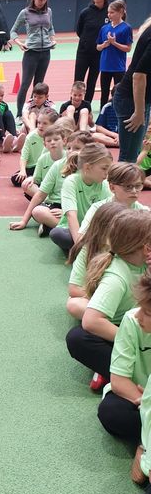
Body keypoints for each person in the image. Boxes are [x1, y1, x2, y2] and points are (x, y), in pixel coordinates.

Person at [65, 209, 151, 384]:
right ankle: (127, 374)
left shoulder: (143, 263)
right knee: (78, 338)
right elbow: (91, 321)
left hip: (143, 325)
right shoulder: (116, 277)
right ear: (146, 248)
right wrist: (130, 339)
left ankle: (117, 370)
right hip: (128, 329)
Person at [97, 271, 151, 469]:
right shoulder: (132, 320)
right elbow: (119, 381)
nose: (138, 315)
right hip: (136, 397)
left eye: (147, 312)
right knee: (112, 412)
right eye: (140, 307)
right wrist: (147, 402)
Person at [9, 129, 92, 236]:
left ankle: (60, 227)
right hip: (56, 205)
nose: (71, 151)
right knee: (38, 211)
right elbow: (40, 195)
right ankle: (74, 228)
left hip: (79, 208)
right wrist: (24, 221)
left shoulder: (91, 170)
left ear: (89, 150)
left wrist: (67, 212)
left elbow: (93, 201)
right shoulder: (58, 165)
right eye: (69, 148)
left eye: (77, 148)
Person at [66, 201, 125, 321]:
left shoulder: (132, 249)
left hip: (126, 299)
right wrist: (105, 297)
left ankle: (103, 321)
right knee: (74, 304)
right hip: (103, 298)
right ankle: (111, 320)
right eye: (114, 228)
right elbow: (74, 289)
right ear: (101, 227)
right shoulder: (88, 249)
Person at [49, 144, 112, 252]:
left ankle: (93, 246)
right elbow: (71, 215)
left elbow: (111, 214)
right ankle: (86, 248)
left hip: (94, 230)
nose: (107, 173)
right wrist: (80, 246)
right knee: (58, 234)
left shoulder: (105, 184)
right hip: (75, 229)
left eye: (108, 169)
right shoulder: (71, 182)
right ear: (87, 167)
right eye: (104, 168)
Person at [9, 0, 56, 120]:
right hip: (31, 53)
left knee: (39, 86)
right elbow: (13, 31)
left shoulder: (49, 12)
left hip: (46, 52)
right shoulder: (25, 13)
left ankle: (32, 111)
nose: (42, 2)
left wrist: (53, 39)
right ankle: (20, 114)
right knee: (25, 84)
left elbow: (51, 28)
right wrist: (19, 43)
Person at [114, 15, 151, 163]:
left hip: (140, 100)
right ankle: (119, 179)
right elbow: (138, 76)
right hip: (131, 101)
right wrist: (139, 111)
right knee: (128, 158)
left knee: (132, 155)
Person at [78, 162, 147, 235]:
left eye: (138, 186)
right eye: (128, 186)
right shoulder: (97, 209)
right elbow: (82, 237)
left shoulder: (145, 212)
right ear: (112, 188)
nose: (134, 191)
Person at [74, 0, 109, 104]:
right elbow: (79, 31)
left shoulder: (109, 13)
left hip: (99, 54)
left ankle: (87, 105)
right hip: (83, 52)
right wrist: (87, 42)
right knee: (78, 81)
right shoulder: (85, 12)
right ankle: (75, 105)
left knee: (92, 82)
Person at [96, 0, 132, 109]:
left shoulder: (126, 28)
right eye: (108, 12)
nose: (109, 15)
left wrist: (114, 43)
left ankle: (118, 112)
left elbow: (128, 48)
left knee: (119, 92)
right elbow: (98, 47)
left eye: (112, 12)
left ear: (120, 12)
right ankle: (103, 112)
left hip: (118, 67)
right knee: (104, 93)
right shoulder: (104, 28)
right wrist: (104, 45)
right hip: (105, 66)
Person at [10, 107, 58, 188]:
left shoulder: (56, 137)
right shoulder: (31, 136)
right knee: (15, 179)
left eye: (45, 123)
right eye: (39, 122)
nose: (40, 126)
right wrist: (22, 171)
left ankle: (39, 183)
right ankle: (38, 182)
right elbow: (24, 156)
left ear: (53, 125)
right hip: (33, 167)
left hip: (48, 166)